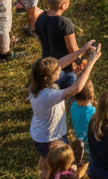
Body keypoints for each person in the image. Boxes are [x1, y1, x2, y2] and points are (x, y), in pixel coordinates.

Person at [29, 43, 101, 179]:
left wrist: (81, 51)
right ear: (48, 77)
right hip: (49, 137)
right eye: (56, 71)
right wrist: (91, 62)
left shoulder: (37, 83)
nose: (60, 70)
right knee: (59, 165)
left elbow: (59, 63)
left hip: (40, 134)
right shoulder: (48, 95)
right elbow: (76, 89)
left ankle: (44, 172)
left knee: (45, 164)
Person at [35, 0, 79, 66]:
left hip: (46, 64)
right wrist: (80, 62)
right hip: (64, 66)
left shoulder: (40, 18)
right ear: (64, 5)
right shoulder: (64, 23)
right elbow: (72, 48)